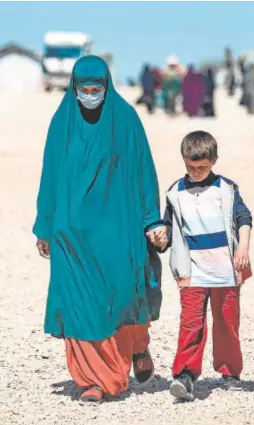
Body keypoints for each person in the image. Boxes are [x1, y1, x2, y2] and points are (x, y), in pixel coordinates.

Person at [33, 55, 165, 403]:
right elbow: (50, 177)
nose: (90, 95)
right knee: (79, 301)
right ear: (74, 87)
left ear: (107, 86)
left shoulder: (126, 121)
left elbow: (144, 173)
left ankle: (137, 347)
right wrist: (44, 226)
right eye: (84, 89)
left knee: (122, 293)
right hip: (70, 233)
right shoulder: (61, 124)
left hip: (118, 229)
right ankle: (94, 380)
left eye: (97, 89)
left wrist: (152, 219)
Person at [149, 131, 253, 401]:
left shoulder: (226, 189)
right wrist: (161, 237)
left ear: (214, 160)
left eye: (202, 167)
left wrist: (243, 247)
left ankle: (231, 374)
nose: (195, 172)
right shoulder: (175, 192)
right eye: (190, 167)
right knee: (191, 323)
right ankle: (184, 375)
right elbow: (170, 231)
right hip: (191, 272)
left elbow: (243, 217)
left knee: (227, 322)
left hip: (225, 270)